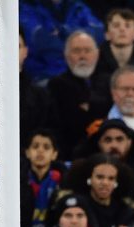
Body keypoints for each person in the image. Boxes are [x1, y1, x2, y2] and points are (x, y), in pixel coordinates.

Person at [47, 30, 111, 160]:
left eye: (87, 51)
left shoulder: (109, 82)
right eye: (76, 51)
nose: (82, 56)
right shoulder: (56, 85)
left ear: (97, 54)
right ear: (66, 56)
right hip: (70, 154)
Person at [94, 8, 134, 78]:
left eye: (127, 26)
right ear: (107, 35)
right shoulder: (95, 59)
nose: (122, 29)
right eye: (116, 26)